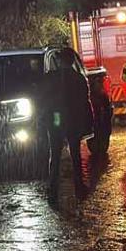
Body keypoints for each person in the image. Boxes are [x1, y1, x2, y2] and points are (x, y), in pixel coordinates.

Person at [44, 49, 92, 200]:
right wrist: (88, 122)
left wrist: (46, 119)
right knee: (75, 154)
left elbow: (44, 100)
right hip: (72, 119)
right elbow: (85, 102)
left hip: (57, 118)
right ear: (72, 61)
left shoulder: (51, 78)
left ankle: (53, 190)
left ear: (60, 61)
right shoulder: (79, 78)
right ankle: (79, 187)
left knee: (55, 154)